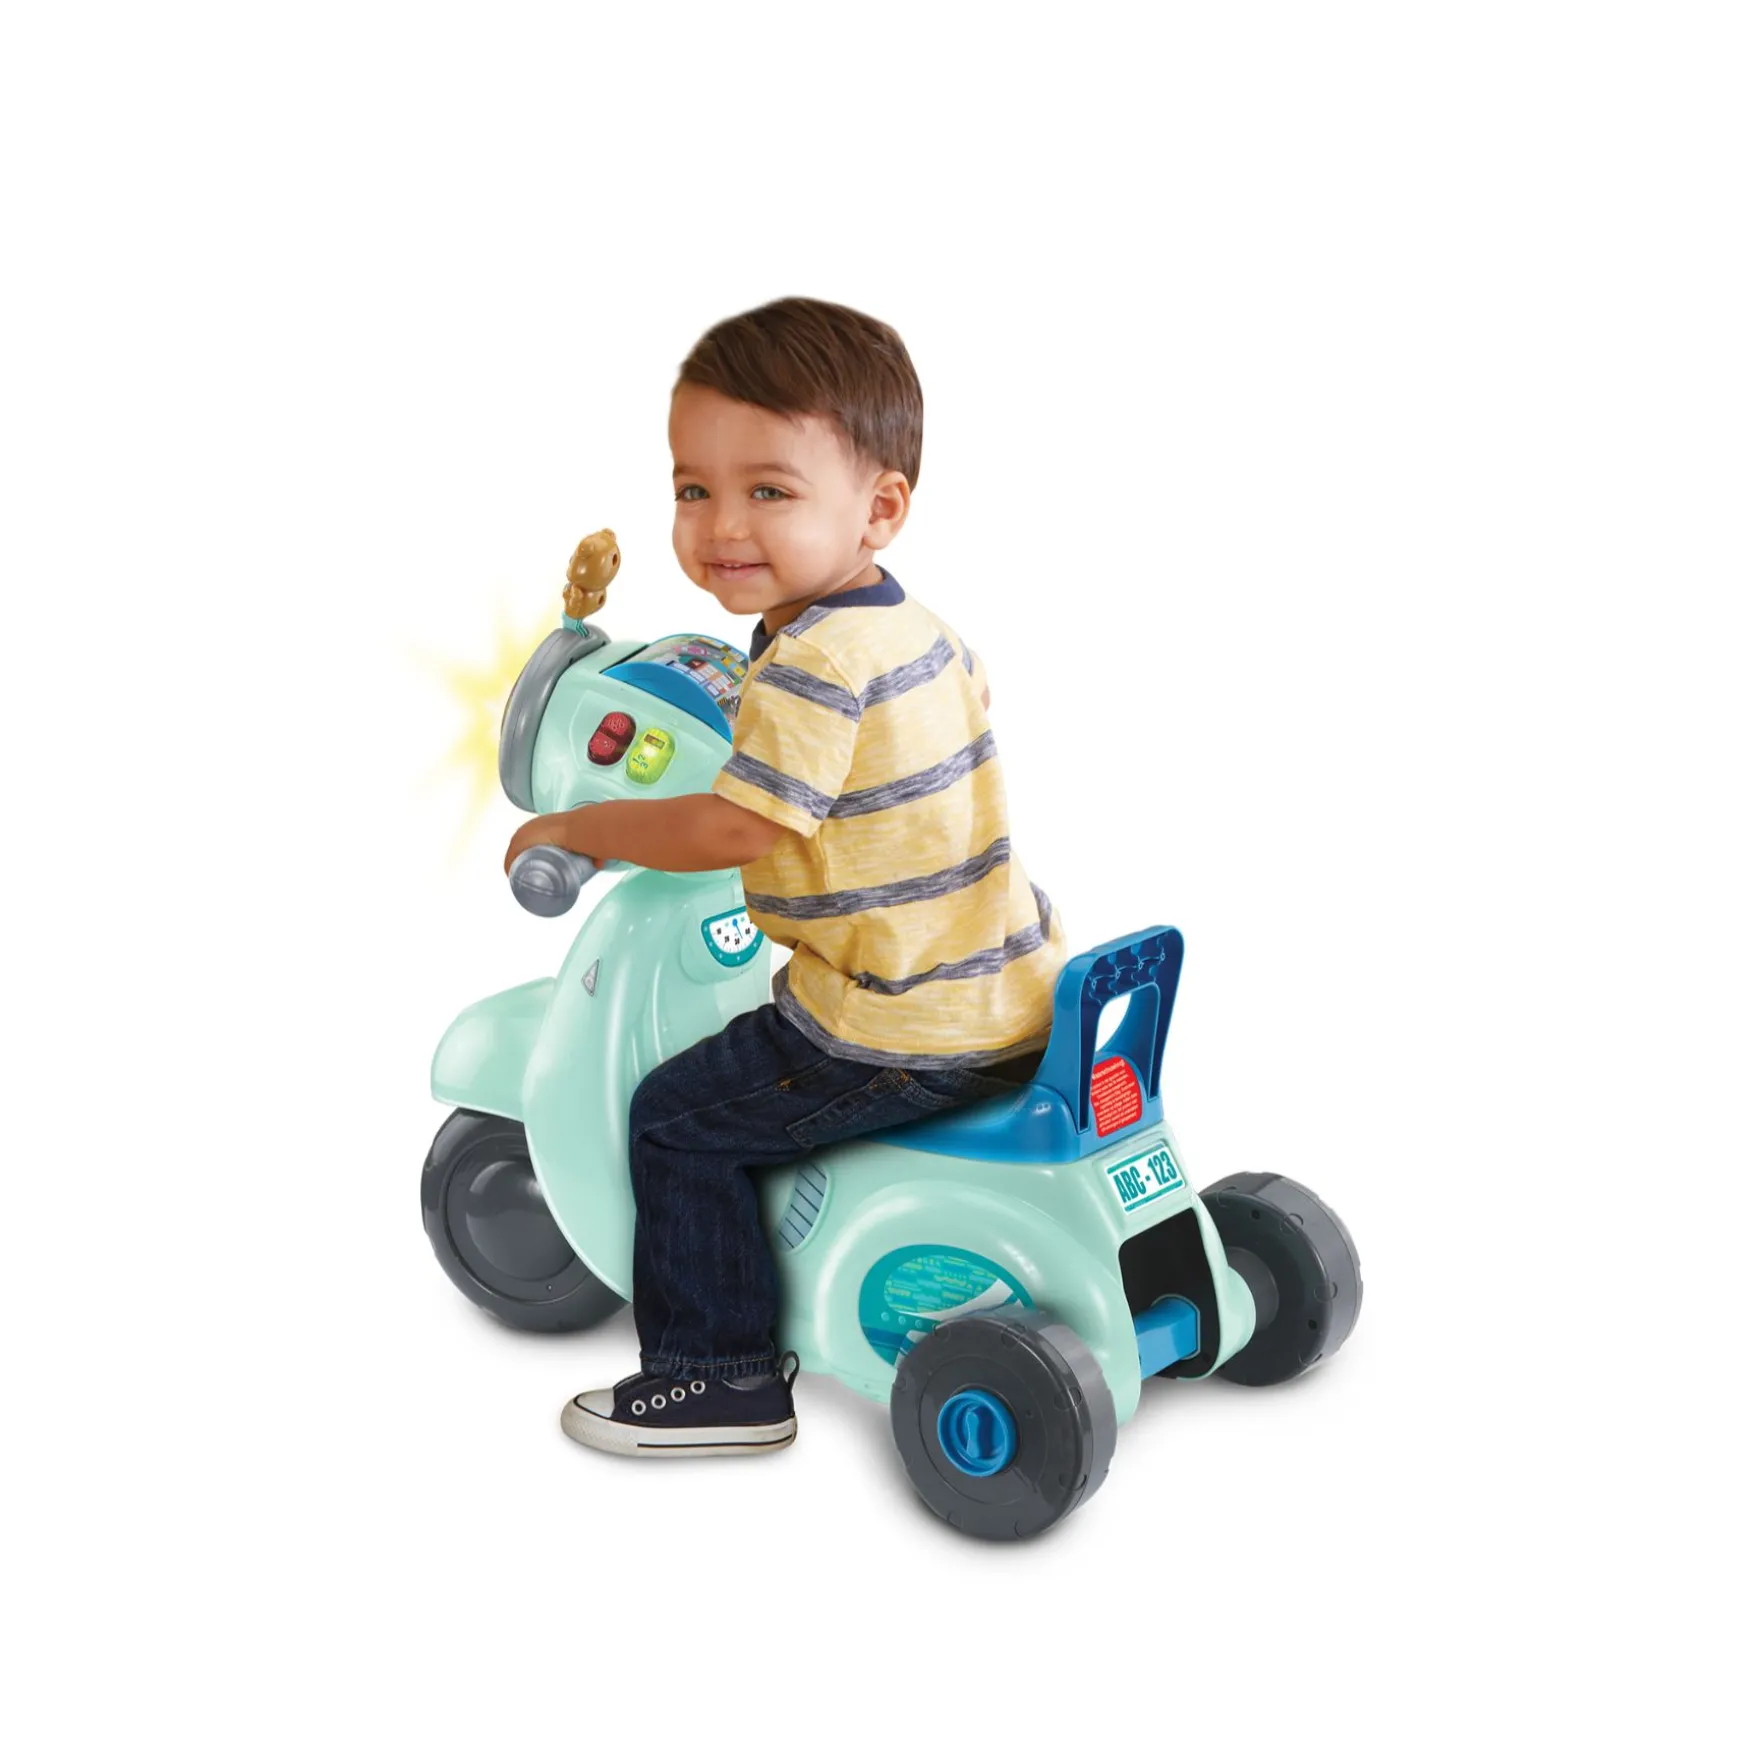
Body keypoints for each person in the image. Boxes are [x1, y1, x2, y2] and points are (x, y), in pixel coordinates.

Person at [502, 296, 1067, 1458]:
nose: (721, 525)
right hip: (1009, 988)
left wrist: (589, 825)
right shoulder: (915, 629)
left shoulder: (810, 664)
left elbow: (733, 828)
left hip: (894, 1026)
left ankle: (716, 1376)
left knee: (676, 1121)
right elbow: (959, 706)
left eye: (768, 490)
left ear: (880, 507)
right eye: (691, 488)